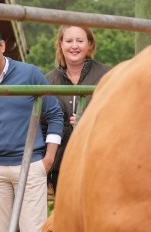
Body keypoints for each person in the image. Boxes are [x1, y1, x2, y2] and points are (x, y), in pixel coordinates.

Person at [0, 24, 64, 232]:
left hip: (31, 166)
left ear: (2, 46)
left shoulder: (30, 74)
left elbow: (54, 114)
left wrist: (47, 160)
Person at [45, 25, 110, 192]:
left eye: (80, 41)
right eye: (69, 41)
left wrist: (88, 123)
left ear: (89, 44)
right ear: (61, 44)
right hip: (61, 165)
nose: (74, 46)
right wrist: (45, 168)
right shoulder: (48, 81)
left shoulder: (107, 76)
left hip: (98, 164)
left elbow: (117, 119)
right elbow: (41, 125)